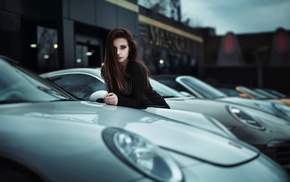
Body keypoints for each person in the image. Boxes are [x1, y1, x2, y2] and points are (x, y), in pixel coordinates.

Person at [101, 28, 170, 109]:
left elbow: (136, 102)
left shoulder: (136, 68)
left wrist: (117, 100)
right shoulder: (107, 70)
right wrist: (108, 99)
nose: (118, 53)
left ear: (130, 48)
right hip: (135, 114)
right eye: (114, 48)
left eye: (122, 47)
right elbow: (118, 97)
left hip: (156, 110)